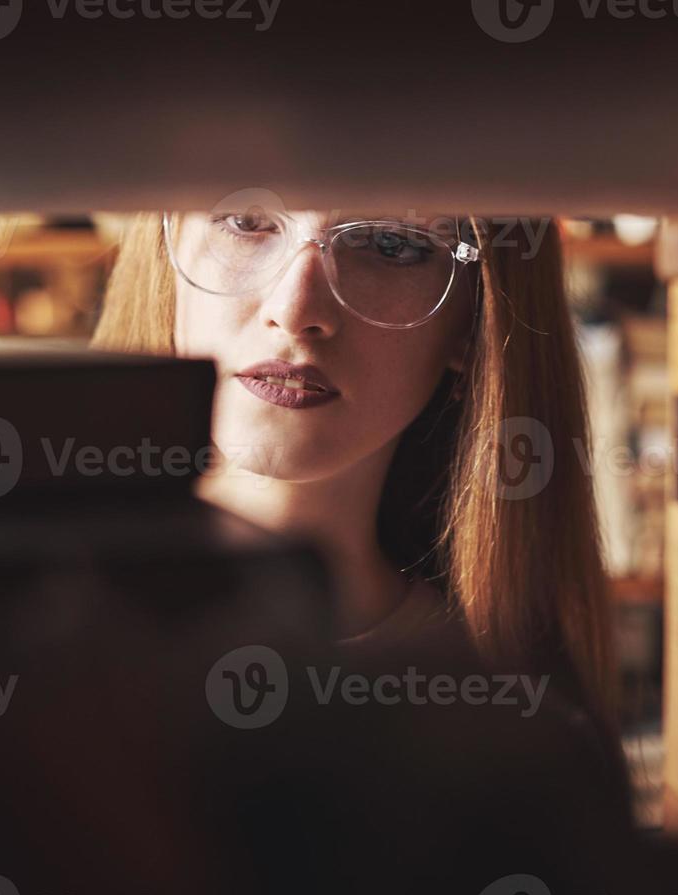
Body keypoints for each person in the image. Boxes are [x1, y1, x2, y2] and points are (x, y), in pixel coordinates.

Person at [94, 208, 616, 721]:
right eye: (246, 222)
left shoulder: (509, 713)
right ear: (167, 252)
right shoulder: (42, 636)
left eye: (390, 244)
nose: (296, 308)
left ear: (474, 315)